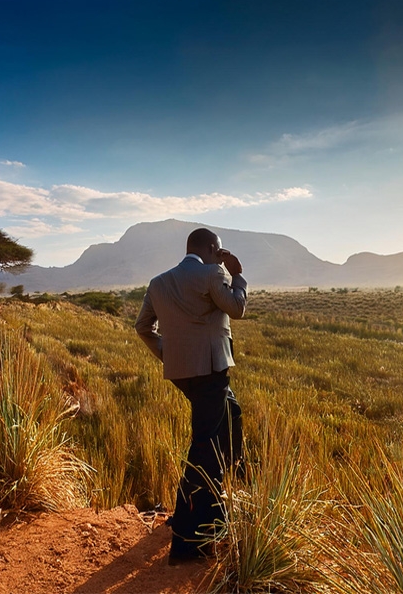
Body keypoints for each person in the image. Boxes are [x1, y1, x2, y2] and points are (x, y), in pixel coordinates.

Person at [134, 227, 247, 564]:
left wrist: (169, 354)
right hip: (211, 371)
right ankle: (188, 535)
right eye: (220, 252)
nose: (222, 258)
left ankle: (234, 471)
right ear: (212, 249)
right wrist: (237, 274)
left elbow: (143, 327)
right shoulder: (213, 273)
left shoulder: (158, 283)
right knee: (204, 447)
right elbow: (237, 308)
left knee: (232, 413)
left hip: (183, 375)